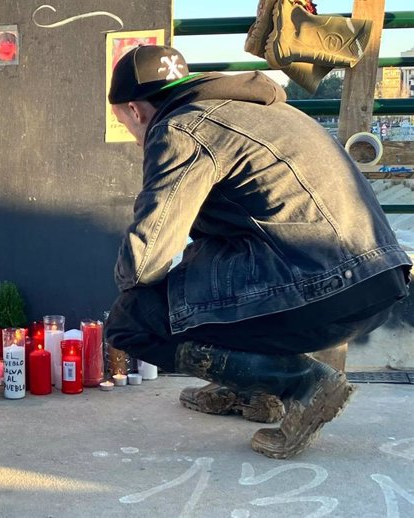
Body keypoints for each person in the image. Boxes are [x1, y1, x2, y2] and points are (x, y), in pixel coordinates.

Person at [104, 44, 412, 459]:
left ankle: (302, 383)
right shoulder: (267, 112)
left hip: (323, 285)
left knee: (133, 319)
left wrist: (132, 287)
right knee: (210, 260)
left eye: (126, 124)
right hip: (380, 282)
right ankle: (252, 389)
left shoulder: (181, 128)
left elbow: (146, 259)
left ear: (136, 111)